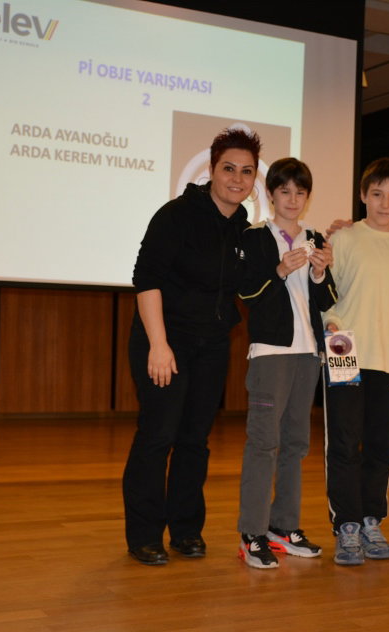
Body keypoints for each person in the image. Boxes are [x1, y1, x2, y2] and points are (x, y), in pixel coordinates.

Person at [123, 127, 261, 566]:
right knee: (158, 436)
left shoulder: (241, 228)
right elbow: (146, 279)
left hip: (212, 345)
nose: (237, 179)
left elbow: (252, 281)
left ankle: (185, 531)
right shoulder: (177, 215)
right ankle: (144, 535)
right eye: (229, 169)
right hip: (166, 341)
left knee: (194, 441)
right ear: (211, 170)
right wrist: (159, 345)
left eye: (246, 171)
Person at [322, 158, 389, 566]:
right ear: (363, 195)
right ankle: (346, 525)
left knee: (382, 444)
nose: (385, 203)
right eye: (378, 194)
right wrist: (331, 324)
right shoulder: (344, 238)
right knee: (344, 441)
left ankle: (371, 520)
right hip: (344, 350)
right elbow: (326, 292)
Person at [235, 158, 337, 570]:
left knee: (296, 444)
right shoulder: (255, 237)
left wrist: (319, 274)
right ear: (271, 195)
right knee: (264, 442)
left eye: (300, 192)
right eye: (285, 192)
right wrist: (279, 270)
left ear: (307, 198)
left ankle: (283, 526)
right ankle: (252, 533)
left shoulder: (315, 239)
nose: (292, 200)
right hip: (270, 353)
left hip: (308, 352)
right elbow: (247, 293)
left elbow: (327, 299)